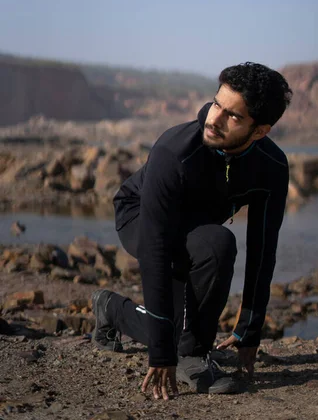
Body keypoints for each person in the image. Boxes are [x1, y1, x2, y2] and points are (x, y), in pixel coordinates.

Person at [91, 62, 292, 400]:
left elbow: (262, 250)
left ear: (260, 131)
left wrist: (249, 330)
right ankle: (190, 354)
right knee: (170, 332)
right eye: (217, 104)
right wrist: (160, 354)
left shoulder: (271, 167)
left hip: (197, 228)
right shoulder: (175, 150)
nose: (214, 119)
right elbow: (155, 250)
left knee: (216, 245)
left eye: (234, 116)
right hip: (141, 215)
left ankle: (114, 310)